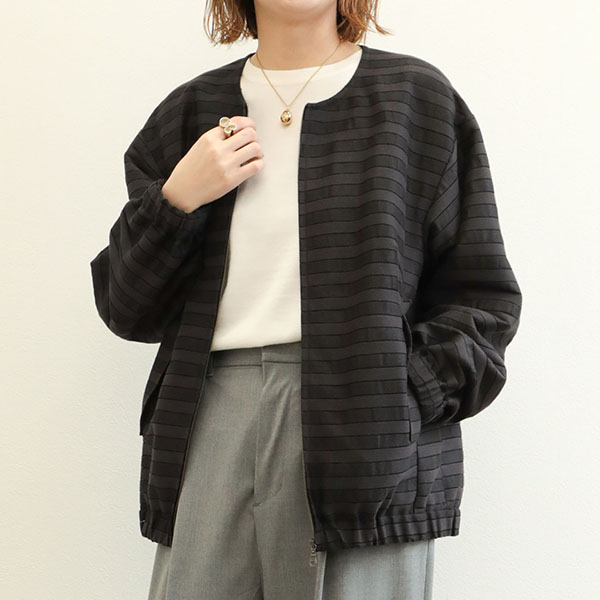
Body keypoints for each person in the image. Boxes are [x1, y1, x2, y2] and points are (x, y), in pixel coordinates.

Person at [89, 1, 523, 599]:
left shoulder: (416, 101)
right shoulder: (190, 112)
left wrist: (405, 390)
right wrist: (177, 200)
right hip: (210, 411)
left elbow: (482, 295)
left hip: (368, 423)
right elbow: (125, 305)